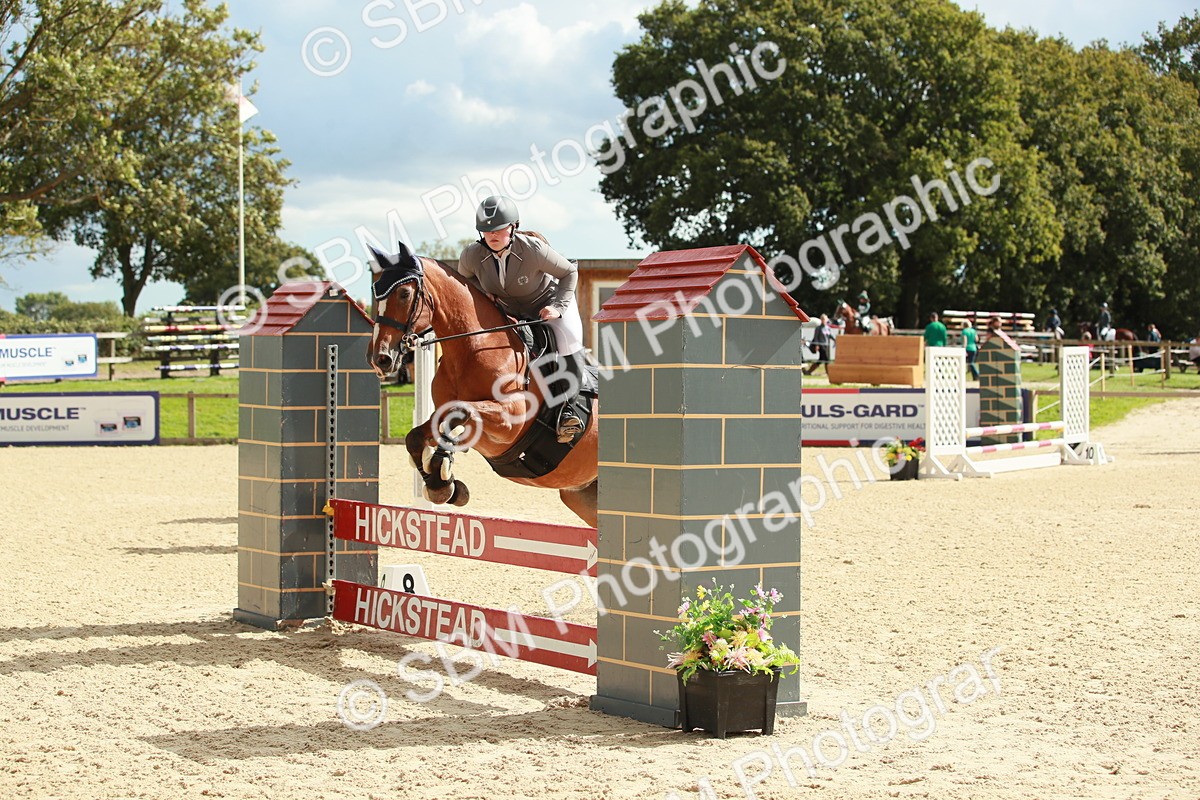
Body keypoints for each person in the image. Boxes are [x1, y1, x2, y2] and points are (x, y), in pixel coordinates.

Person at [456, 195, 586, 443]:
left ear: (513, 227)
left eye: (499, 229)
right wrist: (483, 294)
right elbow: (464, 283)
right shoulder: (472, 255)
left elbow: (569, 272)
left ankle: (568, 411)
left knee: (568, 339)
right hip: (508, 311)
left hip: (548, 303)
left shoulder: (532, 249)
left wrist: (558, 307)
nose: (492, 235)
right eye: (486, 230)